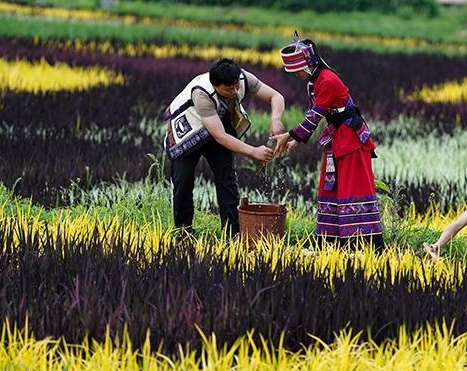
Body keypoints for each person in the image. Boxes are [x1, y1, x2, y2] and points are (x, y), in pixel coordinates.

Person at [272, 33, 383, 250]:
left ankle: (361, 246)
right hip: (337, 137)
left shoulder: (327, 80)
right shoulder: (314, 81)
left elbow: (314, 116)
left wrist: (289, 136)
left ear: (308, 64)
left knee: (353, 189)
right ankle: (330, 243)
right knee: (330, 187)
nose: (297, 75)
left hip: (350, 140)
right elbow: (316, 114)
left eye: (298, 71)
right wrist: (295, 141)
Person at [164, 58, 286, 235]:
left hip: (218, 124)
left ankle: (232, 233)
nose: (235, 91)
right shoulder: (202, 94)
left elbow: (276, 96)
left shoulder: (242, 78)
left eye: (236, 86)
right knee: (183, 182)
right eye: (229, 89)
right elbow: (220, 136)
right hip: (188, 131)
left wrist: (275, 120)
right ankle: (184, 233)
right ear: (215, 86)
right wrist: (253, 151)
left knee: (227, 178)